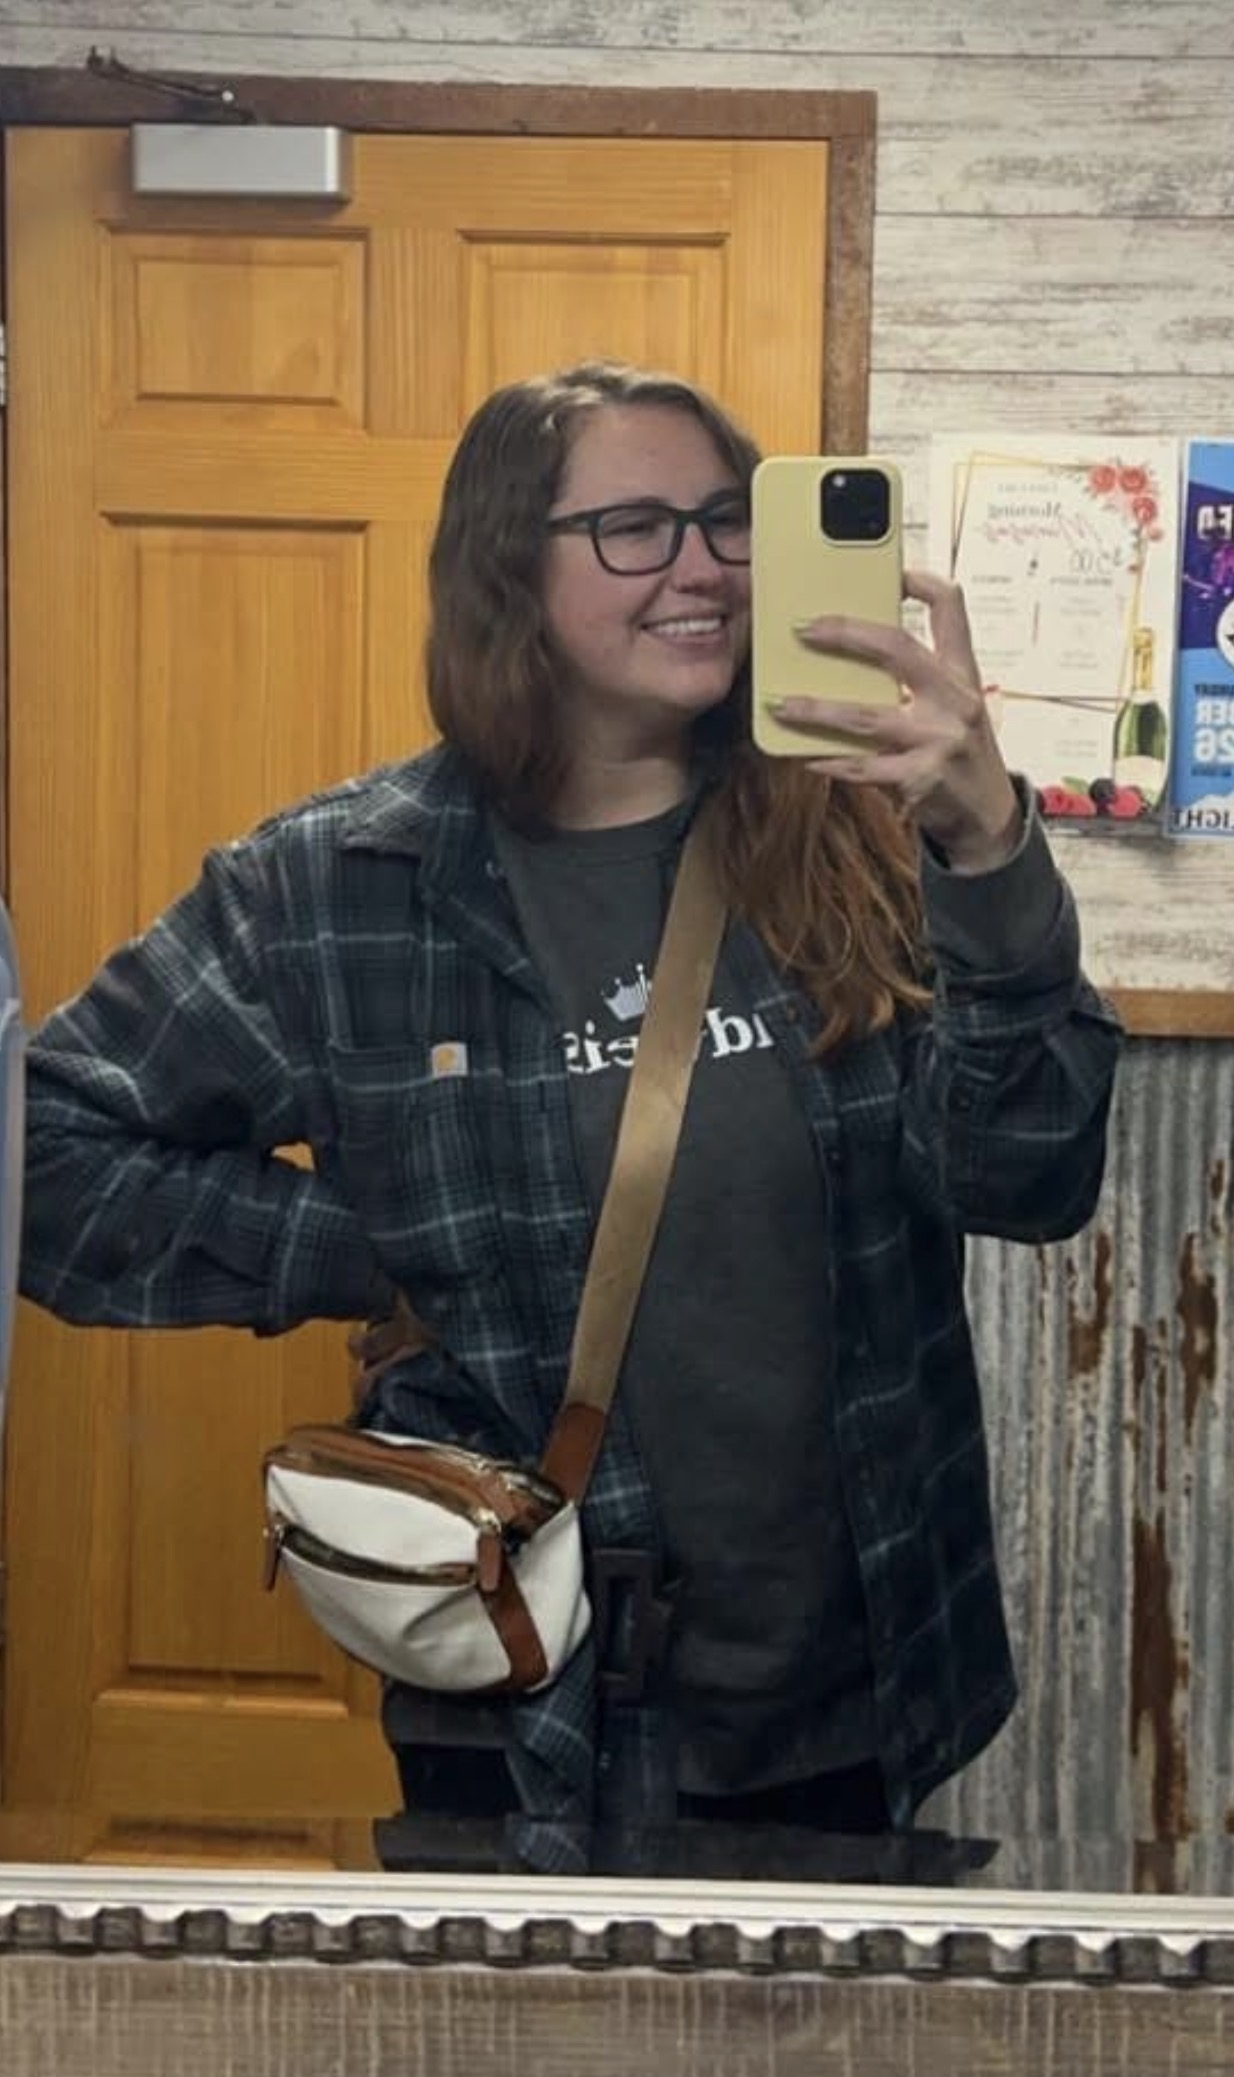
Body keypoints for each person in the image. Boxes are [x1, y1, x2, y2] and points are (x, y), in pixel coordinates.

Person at [20, 360, 1121, 1879]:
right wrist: (378, 1248)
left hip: (859, 1682)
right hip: (522, 1696)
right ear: (506, 572)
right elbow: (45, 1162)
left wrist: (989, 845)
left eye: (728, 520)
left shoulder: (861, 834)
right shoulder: (338, 890)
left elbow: (1030, 1177)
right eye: (634, 528)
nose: (704, 566)